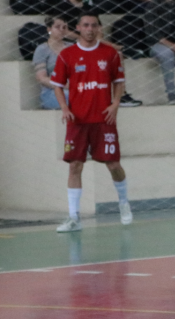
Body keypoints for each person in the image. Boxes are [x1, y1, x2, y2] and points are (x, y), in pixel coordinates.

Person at [50, 13, 133, 232]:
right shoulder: (67, 54)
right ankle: (74, 218)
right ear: (78, 27)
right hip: (77, 120)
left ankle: (123, 203)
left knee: (113, 164)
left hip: (104, 118)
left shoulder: (110, 54)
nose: (89, 29)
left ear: (98, 28)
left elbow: (119, 81)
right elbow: (57, 84)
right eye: (85, 25)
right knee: (75, 165)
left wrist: (115, 103)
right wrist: (64, 107)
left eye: (94, 25)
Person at [34, 16, 70, 110]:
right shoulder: (42, 49)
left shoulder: (73, 47)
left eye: (64, 27)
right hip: (51, 91)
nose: (61, 30)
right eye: (57, 27)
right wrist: (63, 85)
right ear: (49, 29)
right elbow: (41, 78)